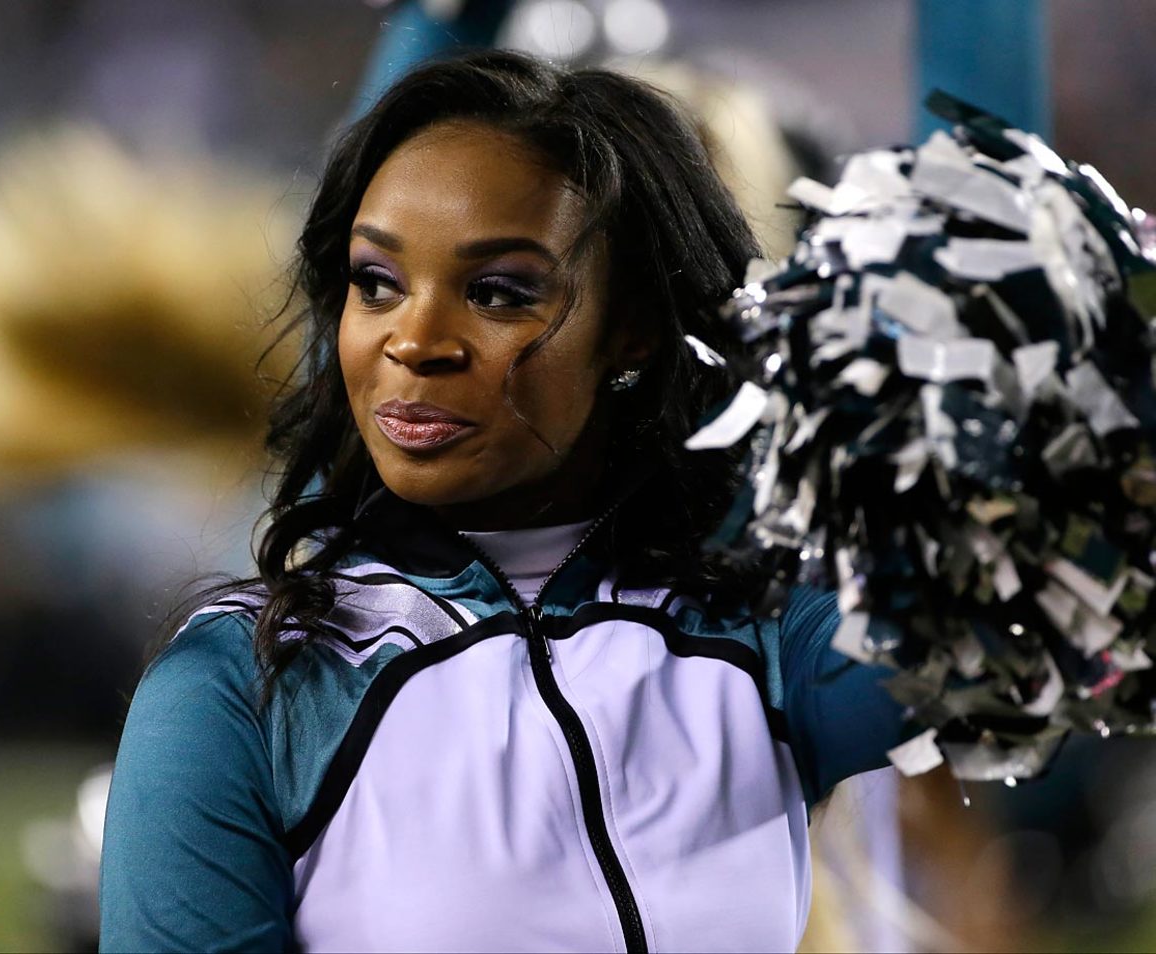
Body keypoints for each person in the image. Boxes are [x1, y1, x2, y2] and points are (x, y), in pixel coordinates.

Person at [98, 50, 907, 953]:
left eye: (497, 292)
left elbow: (1002, 608)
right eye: (376, 283)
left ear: (633, 329)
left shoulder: (764, 635)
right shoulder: (246, 687)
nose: (415, 341)